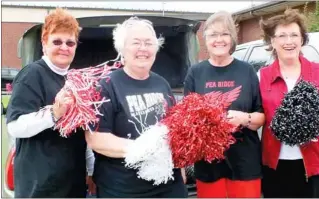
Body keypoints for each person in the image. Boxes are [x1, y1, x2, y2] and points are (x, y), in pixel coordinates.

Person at [85, 17, 187, 198]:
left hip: (168, 186)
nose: (143, 48)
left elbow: (175, 129)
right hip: (123, 189)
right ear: (122, 48)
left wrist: (181, 166)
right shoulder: (107, 85)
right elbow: (96, 139)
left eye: (149, 43)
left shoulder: (162, 84)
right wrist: (144, 147)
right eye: (136, 42)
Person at [6, 8, 95, 198]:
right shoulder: (32, 75)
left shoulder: (76, 79)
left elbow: (84, 133)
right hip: (40, 188)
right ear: (44, 43)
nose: (64, 47)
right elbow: (14, 127)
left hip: (72, 186)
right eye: (57, 41)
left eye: (70, 42)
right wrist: (54, 113)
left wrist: (91, 170)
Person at [258, 8, 319, 198]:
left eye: (294, 35)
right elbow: (258, 116)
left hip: (316, 166)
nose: (288, 41)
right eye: (281, 35)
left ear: (302, 40)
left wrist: (309, 125)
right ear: (272, 42)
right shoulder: (261, 77)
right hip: (276, 166)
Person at [184, 11, 265, 198]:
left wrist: (245, 118)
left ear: (232, 38)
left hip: (244, 161)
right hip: (208, 163)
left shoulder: (247, 71)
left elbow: (261, 117)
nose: (219, 39)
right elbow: (186, 119)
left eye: (224, 34)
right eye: (213, 34)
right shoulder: (196, 72)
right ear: (205, 39)